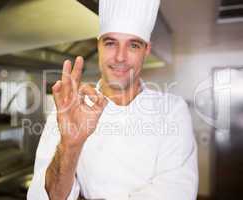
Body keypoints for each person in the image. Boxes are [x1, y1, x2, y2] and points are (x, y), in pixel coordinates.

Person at [27, 0, 198, 199]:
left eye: (133, 45)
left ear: (146, 50)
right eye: (110, 43)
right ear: (98, 45)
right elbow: (41, 197)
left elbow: (177, 192)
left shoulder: (172, 110)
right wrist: (69, 146)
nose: (120, 57)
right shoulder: (68, 109)